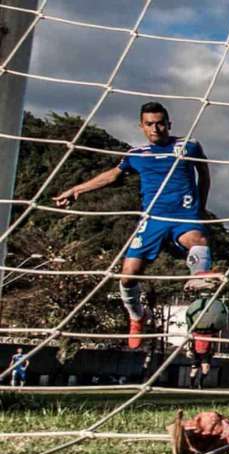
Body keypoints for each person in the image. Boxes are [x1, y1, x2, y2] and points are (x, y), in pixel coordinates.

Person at [53, 102, 218, 349]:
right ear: (141, 127)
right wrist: (77, 190)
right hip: (152, 220)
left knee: (199, 243)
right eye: (150, 124)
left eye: (160, 123)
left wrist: (200, 208)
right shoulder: (136, 154)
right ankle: (137, 316)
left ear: (169, 124)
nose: (156, 128)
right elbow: (113, 175)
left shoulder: (188, 145)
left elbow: (204, 174)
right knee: (127, 276)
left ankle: (204, 325)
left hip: (184, 216)